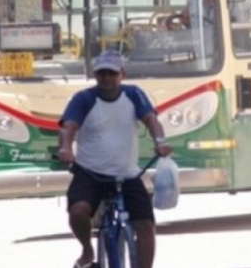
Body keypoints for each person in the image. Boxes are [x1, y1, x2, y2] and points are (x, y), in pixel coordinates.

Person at [58, 50, 172, 268]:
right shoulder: (84, 99)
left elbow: (151, 120)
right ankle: (87, 250)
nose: (107, 79)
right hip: (90, 171)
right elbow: (68, 127)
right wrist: (65, 149)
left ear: (122, 74)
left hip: (127, 173)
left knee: (146, 224)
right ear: (95, 75)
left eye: (112, 73)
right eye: (102, 74)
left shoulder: (134, 94)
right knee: (77, 211)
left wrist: (160, 142)